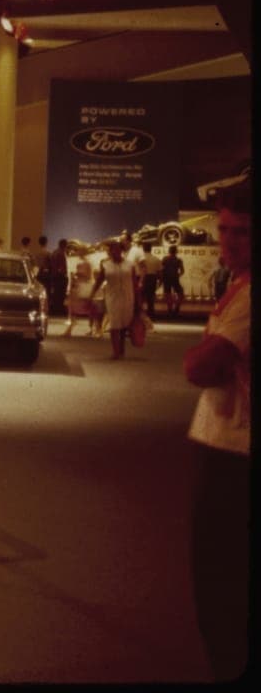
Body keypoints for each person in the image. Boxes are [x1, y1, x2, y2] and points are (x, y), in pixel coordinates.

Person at [182, 182, 250, 682]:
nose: (228, 240)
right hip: (226, 448)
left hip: (235, 456)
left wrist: (200, 358)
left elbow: (202, 366)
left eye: (242, 231)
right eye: (224, 229)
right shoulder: (240, 285)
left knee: (222, 587)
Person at [93, 238, 139, 359]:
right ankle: (116, 351)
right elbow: (99, 281)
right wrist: (91, 294)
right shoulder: (105, 265)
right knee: (114, 324)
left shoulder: (130, 265)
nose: (114, 252)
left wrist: (138, 300)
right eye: (112, 250)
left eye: (117, 250)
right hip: (112, 297)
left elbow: (134, 283)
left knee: (124, 324)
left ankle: (121, 349)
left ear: (121, 251)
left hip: (128, 297)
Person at [62, 250, 95, 337]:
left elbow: (88, 276)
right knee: (73, 308)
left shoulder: (87, 263)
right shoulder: (80, 263)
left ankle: (92, 328)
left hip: (83, 287)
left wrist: (78, 274)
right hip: (78, 287)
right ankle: (70, 329)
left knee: (89, 309)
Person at [138, 241, 163, 318]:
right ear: (151, 249)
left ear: (143, 249)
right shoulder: (156, 259)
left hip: (142, 278)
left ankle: (140, 315)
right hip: (152, 278)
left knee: (141, 297)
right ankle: (151, 314)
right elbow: (159, 272)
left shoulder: (140, 259)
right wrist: (160, 282)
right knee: (150, 298)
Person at [161, 245, 185, 316]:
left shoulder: (165, 259)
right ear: (176, 251)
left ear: (169, 251)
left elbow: (161, 269)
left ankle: (170, 309)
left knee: (167, 294)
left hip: (166, 278)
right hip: (175, 278)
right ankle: (176, 307)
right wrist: (178, 275)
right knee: (180, 293)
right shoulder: (178, 260)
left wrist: (161, 278)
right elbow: (182, 271)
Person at [48, 238, 69, 316]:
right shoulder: (61, 253)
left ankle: (55, 310)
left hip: (54, 276)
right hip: (60, 277)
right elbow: (62, 267)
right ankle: (59, 310)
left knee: (56, 294)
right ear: (64, 245)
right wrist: (65, 274)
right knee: (61, 295)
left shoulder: (54, 252)